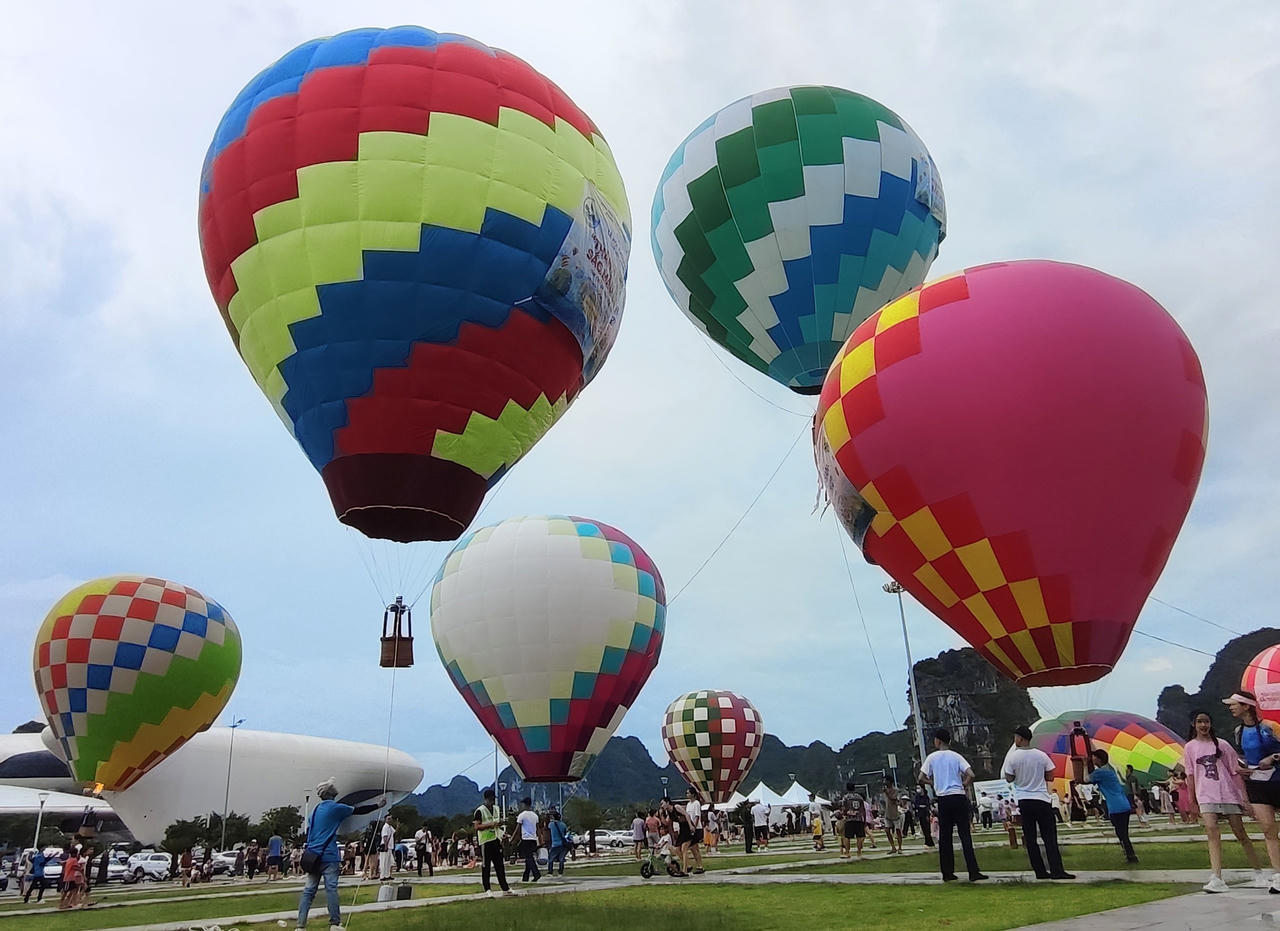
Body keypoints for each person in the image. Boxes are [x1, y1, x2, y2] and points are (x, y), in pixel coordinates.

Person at [1184, 709, 1268, 893]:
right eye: (1200, 722)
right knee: (1212, 831)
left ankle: (1259, 872)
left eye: (1206, 721)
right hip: (1205, 794)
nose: (1203, 725)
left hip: (1227, 793)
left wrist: (1244, 799)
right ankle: (1217, 877)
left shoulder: (1222, 745)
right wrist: (1192, 800)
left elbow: (1235, 771)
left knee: (1240, 833)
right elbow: (1190, 775)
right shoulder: (1190, 747)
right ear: (1194, 725)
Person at [1002, 725, 1075, 880]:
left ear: (1020, 739)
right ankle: (1057, 870)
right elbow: (1050, 776)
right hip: (1042, 799)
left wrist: (1021, 777)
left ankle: (1040, 871)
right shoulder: (1041, 755)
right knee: (1049, 837)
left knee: (1030, 838)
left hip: (1024, 800)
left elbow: (1009, 778)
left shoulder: (1013, 758)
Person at [1225, 690, 1280, 892]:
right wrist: (1243, 768)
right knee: (1268, 828)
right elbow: (1244, 756)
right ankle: (1278, 874)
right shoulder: (1238, 732)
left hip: (1277, 779)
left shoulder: (1270, 727)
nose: (1231, 707)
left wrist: (1273, 758)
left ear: (1246, 706)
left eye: (1234, 704)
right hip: (1256, 783)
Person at [919, 728, 986, 882]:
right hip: (958, 796)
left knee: (945, 836)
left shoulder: (932, 758)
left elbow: (921, 778)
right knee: (965, 835)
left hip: (943, 798)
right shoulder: (956, 756)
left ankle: (947, 873)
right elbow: (971, 774)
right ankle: (973, 871)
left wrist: (933, 783)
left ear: (938, 741)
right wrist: (963, 784)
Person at [296, 778, 355, 930]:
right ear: (331, 793)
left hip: (313, 856)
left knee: (309, 891)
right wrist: (378, 805)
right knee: (331, 889)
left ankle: (300, 925)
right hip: (329, 855)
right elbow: (357, 810)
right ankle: (335, 923)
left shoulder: (314, 812)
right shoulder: (335, 808)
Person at [474, 787, 513, 896]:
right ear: (486, 799)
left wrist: (502, 833)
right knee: (486, 866)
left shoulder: (496, 809)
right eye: (491, 800)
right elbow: (477, 826)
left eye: (493, 800)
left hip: (496, 840)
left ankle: (505, 888)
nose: (492, 802)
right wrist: (491, 824)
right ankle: (487, 889)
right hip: (485, 841)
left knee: (499, 865)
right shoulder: (480, 811)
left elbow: (497, 826)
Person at [515, 798, 541, 883]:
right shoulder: (535, 816)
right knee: (528, 858)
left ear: (525, 805)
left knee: (529, 857)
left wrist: (512, 839)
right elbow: (538, 829)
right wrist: (540, 839)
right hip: (533, 839)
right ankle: (525, 877)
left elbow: (517, 829)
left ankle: (536, 873)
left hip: (526, 839)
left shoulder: (522, 815)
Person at [684, 789, 705, 873]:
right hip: (690, 827)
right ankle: (698, 865)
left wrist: (694, 827)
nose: (687, 794)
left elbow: (697, 816)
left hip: (696, 828)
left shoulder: (696, 803)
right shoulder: (688, 804)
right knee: (693, 848)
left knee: (694, 847)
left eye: (688, 793)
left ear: (693, 794)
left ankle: (700, 866)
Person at [880, 781, 904, 854]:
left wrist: (887, 793)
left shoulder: (896, 790)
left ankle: (900, 847)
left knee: (898, 831)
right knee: (887, 830)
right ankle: (893, 847)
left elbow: (893, 799)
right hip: (887, 814)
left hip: (895, 813)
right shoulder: (884, 792)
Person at [547, 810, 569, 876]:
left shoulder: (551, 824)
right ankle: (560, 872)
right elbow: (565, 833)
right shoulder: (563, 824)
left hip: (555, 844)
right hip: (562, 844)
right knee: (561, 858)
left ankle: (550, 872)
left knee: (551, 858)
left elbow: (547, 830)